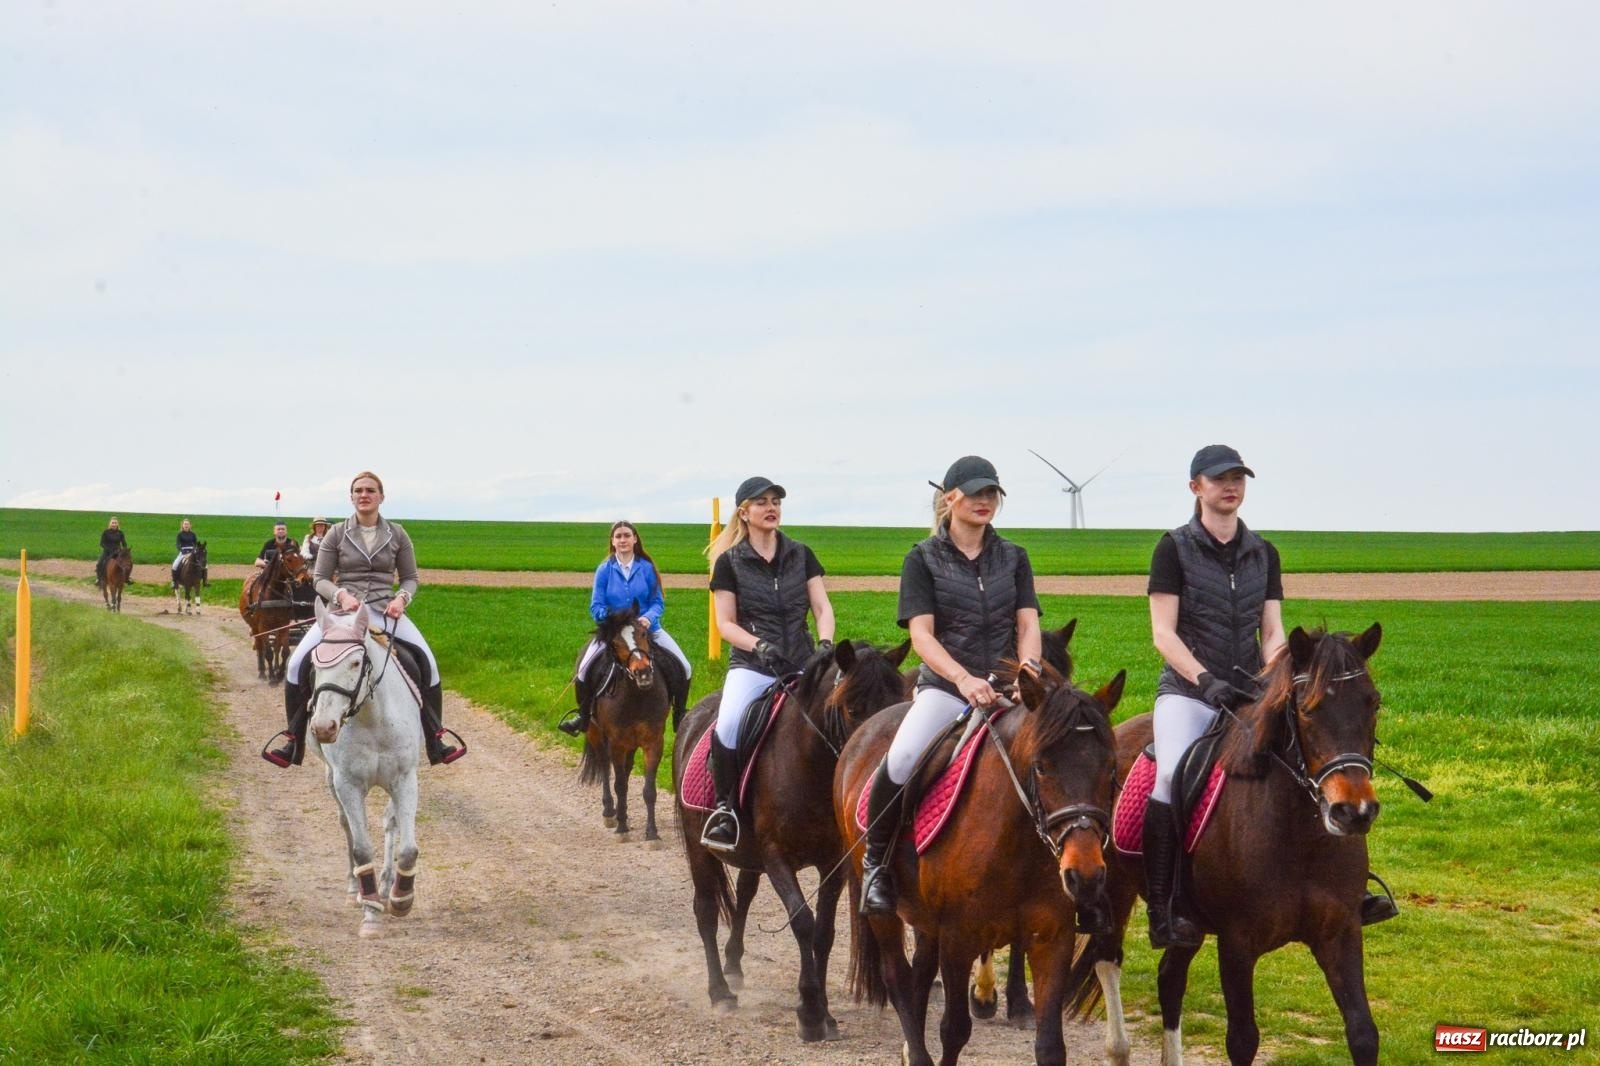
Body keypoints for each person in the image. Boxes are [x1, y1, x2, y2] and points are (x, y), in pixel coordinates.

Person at [1145, 444, 1396, 949]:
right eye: (1219, 479)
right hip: (1189, 693)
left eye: (1238, 478)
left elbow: (1274, 629)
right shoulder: (1173, 548)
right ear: (1197, 487)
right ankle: (1164, 905)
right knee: (1171, 775)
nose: (1230, 486)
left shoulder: (1264, 551)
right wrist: (1204, 680)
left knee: (1317, 760)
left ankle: (1349, 890)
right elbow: (1163, 634)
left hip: (1252, 691)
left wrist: (1276, 676)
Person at [858, 456, 1042, 915]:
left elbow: (1027, 623)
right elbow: (921, 634)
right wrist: (961, 679)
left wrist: (1029, 672)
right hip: (945, 687)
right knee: (900, 758)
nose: (985, 501)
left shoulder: (1014, 557)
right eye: (976, 492)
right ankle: (875, 865)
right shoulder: (922, 558)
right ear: (949, 498)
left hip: (1006, 687)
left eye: (992, 493)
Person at [262, 471, 466, 768]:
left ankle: (435, 739)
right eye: (358, 490)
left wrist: (401, 599)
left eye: (370, 490)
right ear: (351, 497)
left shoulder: (397, 534)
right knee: (296, 664)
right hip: (343, 613)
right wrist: (341, 596)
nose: (364, 494)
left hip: (385, 610)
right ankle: (293, 741)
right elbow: (319, 579)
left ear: (381, 497)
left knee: (428, 662)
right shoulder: (336, 533)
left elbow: (410, 578)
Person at [699, 476, 835, 852]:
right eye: (761, 502)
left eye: (775, 501)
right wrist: (758, 645)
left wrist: (825, 643)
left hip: (803, 662)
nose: (771, 507)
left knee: (841, 715)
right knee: (727, 725)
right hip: (753, 666)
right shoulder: (729, 562)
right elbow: (726, 623)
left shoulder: (801, 554)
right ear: (744, 513)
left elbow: (822, 607)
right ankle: (725, 809)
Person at [559, 521, 694, 736]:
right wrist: (613, 619)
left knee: (685, 667)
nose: (623, 540)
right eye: (618, 536)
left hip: (646, 629)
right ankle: (583, 717)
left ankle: (679, 716)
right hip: (614, 633)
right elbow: (596, 606)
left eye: (627, 535)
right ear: (612, 542)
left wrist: (648, 618)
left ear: (635, 539)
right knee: (583, 670)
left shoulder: (646, 568)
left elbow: (657, 602)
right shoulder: (605, 570)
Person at [170, 518, 206, 588]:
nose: (186, 525)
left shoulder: (193, 534)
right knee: (175, 565)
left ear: (190, 525)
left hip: (192, 552)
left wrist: (193, 552)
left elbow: (196, 544)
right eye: (185, 524)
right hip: (183, 552)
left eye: (187, 524)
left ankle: (205, 581)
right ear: (182, 525)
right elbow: (178, 544)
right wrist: (182, 551)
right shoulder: (179, 534)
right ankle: (174, 582)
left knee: (204, 564)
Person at [95, 517, 129, 589]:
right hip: (107, 552)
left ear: (117, 524)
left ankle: (127, 578)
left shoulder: (120, 533)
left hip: (117, 552)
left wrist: (124, 550)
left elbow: (124, 543)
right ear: (110, 524)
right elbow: (102, 543)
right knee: (99, 563)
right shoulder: (106, 532)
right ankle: (99, 579)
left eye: (115, 523)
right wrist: (108, 549)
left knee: (127, 563)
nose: (114, 524)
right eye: (113, 523)